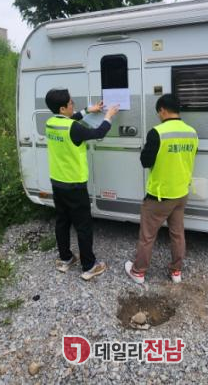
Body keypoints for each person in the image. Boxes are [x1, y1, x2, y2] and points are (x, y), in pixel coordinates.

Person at [44, 88, 119, 281]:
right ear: (62, 108)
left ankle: (65, 259)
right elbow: (98, 132)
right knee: (83, 226)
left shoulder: (50, 123)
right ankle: (89, 266)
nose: (73, 105)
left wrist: (88, 110)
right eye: (71, 103)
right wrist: (108, 116)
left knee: (62, 222)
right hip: (74, 185)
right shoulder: (73, 128)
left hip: (57, 182)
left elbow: (72, 119)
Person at [125, 94, 198, 284]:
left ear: (163, 110)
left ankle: (138, 272)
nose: (158, 115)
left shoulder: (157, 132)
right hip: (181, 192)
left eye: (158, 112)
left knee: (147, 236)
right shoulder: (191, 132)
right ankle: (176, 272)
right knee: (177, 234)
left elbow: (145, 161)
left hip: (159, 195)